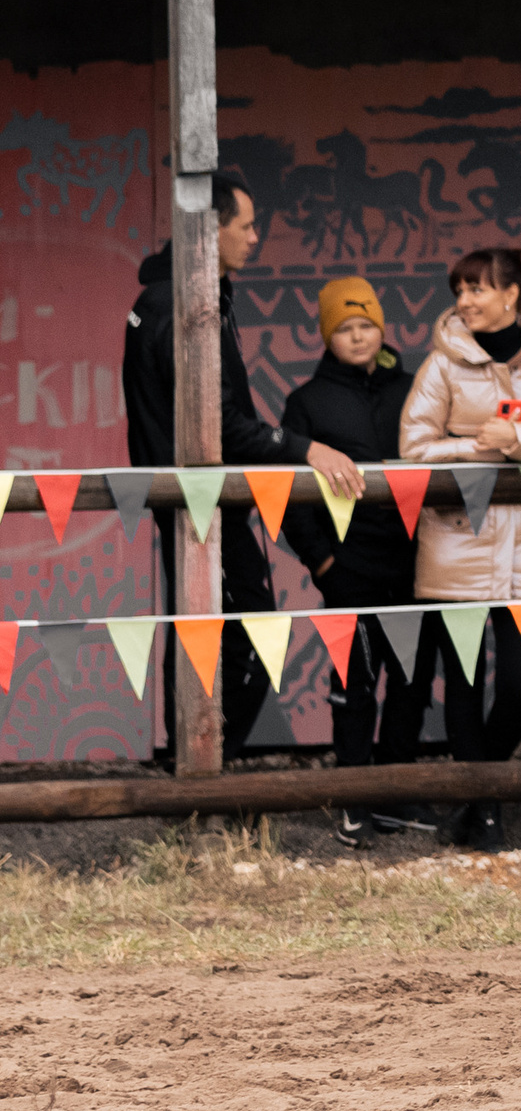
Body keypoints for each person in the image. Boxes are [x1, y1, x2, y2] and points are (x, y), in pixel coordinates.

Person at [122, 169, 363, 763]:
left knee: (208, 632)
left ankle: (192, 771)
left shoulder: (195, 294)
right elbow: (220, 425)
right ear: (210, 229)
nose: (257, 237)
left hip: (204, 499)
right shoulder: (178, 305)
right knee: (247, 640)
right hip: (199, 502)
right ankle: (201, 772)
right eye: (248, 226)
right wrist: (306, 448)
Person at [399, 247, 521, 852]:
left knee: (518, 686)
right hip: (454, 544)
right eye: (459, 290)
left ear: (512, 294)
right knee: (461, 684)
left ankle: (478, 797)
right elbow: (413, 446)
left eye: (477, 289)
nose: (465, 301)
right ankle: (486, 811)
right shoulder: (443, 362)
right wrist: (473, 448)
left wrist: (519, 437)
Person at [278, 278, 432, 844]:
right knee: (355, 683)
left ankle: (394, 794)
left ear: (382, 329)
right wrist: (322, 563)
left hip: (415, 563)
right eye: (345, 328)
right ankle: (355, 798)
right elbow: (286, 495)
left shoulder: (415, 390)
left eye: (367, 325)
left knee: (411, 682)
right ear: (327, 336)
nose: (359, 336)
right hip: (349, 568)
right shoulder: (307, 402)